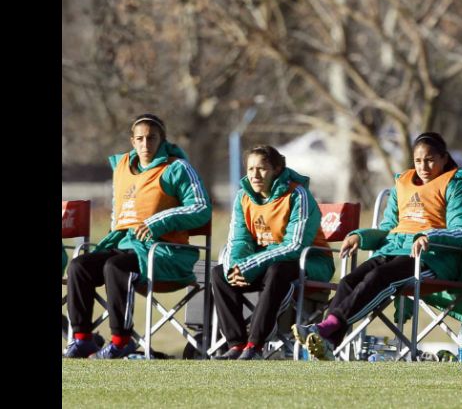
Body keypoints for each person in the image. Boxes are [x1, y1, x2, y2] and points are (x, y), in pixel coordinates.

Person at [292, 132, 462, 360]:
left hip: (431, 258)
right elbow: (388, 228)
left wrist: (430, 236)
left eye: (430, 159)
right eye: (418, 161)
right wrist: (360, 236)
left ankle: (327, 328)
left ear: (444, 158)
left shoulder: (455, 184)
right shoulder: (403, 184)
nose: (423, 166)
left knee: (380, 277)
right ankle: (327, 341)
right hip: (392, 249)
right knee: (349, 281)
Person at [65, 113, 212, 359]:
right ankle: (82, 339)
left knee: (115, 266)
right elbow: (118, 214)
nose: (146, 145)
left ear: (162, 140)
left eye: (152, 138)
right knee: (80, 266)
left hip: (166, 252)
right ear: (132, 141)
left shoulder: (176, 167)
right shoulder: (122, 167)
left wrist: (158, 222)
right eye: (140, 139)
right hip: (127, 247)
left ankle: (122, 341)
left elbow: (200, 207)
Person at [212, 145, 334, 360]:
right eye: (250, 169)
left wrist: (249, 266)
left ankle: (255, 345)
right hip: (264, 263)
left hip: (309, 262)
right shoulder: (243, 197)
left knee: (277, 271)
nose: (255, 175)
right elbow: (238, 240)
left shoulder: (298, 195)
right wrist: (236, 267)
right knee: (220, 273)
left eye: (262, 168)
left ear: (277, 169)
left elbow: (294, 245)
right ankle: (236, 344)